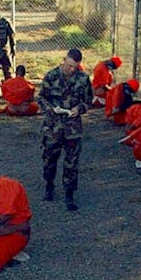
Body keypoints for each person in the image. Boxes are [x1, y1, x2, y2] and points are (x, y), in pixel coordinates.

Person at [37, 49, 92, 211]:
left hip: (72, 129)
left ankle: (69, 194)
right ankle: (49, 186)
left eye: (75, 67)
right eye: (69, 65)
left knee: (72, 163)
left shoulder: (83, 79)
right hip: (52, 127)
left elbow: (88, 101)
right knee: (49, 160)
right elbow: (41, 98)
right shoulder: (51, 76)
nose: (71, 69)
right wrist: (51, 109)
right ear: (64, 60)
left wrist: (79, 109)